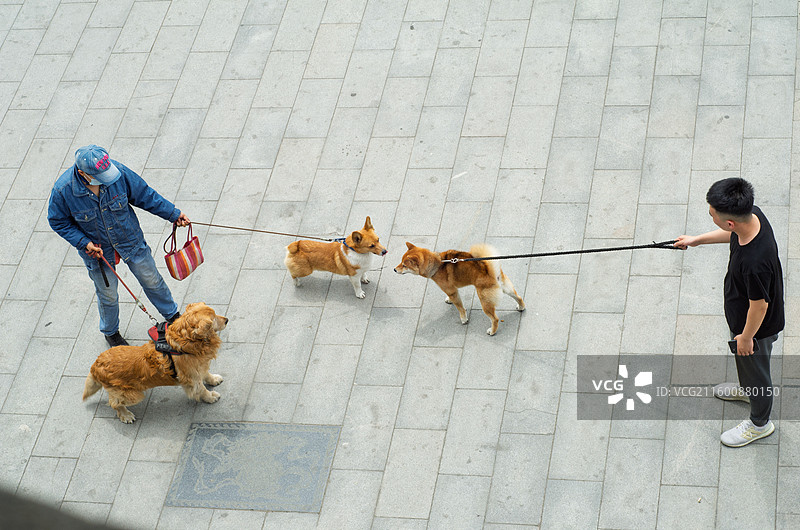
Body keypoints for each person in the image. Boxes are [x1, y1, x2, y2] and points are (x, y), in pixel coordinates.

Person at [675, 178, 784, 447]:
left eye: (712, 214)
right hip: (743, 318)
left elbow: (760, 306)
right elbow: (732, 234)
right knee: (749, 370)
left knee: (757, 375)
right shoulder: (753, 216)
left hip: (755, 329)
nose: (711, 216)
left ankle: (760, 423)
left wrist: (746, 338)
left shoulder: (754, 263)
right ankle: (747, 389)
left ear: (730, 222)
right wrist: (697, 240)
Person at [48, 145, 190, 347]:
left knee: (152, 280)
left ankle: (172, 314)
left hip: (130, 239)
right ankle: (111, 332)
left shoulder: (118, 172)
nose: (107, 178)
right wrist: (84, 242)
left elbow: (145, 195)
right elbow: (58, 221)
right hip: (98, 253)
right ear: (82, 173)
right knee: (108, 295)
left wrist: (173, 214)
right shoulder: (63, 191)